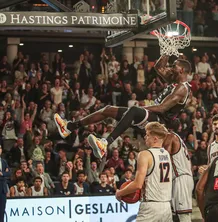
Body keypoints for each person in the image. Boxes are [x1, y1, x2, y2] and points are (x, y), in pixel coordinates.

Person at [54, 55, 192, 158]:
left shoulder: (182, 89)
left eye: (174, 66)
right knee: (108, 110)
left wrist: (142, 109)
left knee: (134, 110)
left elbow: (162, 108)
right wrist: (167, 50)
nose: (171, 68)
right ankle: (70, 127)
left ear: (181, 70)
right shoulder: (173, 80)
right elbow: (158, 67)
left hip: (160, 122)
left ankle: (105, 143)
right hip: (152, 116)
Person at [115, 122, 172, 222]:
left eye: (148, 135)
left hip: (151, 206)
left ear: (155, 139)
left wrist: (120, 193)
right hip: (167, 206)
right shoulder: (167, 154)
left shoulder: (145, 154)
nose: (145, 137)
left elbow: (137, 185)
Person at [162, 131, 194, 222]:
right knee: (174, 215)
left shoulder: (170, 136)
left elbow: (163, 157)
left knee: (183, 215)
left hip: (180, 177)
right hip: (185, 176)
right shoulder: (180, 140)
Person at [0, 145, 10, 222]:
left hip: (3, 190)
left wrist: (2, 174)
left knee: (2, 210)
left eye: (0, 148)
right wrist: (4, 173)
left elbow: (8, 173)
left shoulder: (4, 161)